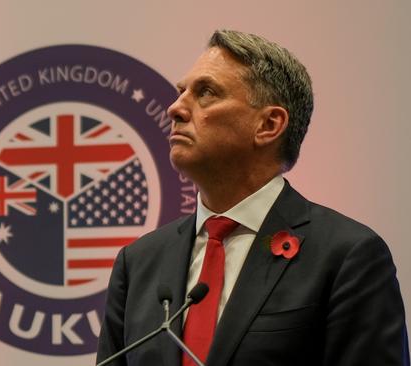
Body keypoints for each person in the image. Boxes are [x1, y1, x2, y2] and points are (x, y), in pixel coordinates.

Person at [96, 29, 409, 366]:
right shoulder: (139, 262)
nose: (175, 109)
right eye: (180, 92)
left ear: (269, 125)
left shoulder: (346, 257)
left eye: (206, 93)